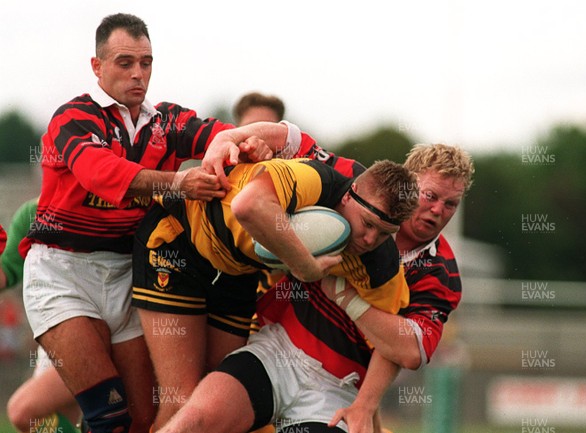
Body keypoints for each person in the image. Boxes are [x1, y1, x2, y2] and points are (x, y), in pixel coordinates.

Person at [20, 13, 299, 433]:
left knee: (142, 419)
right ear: (97, 67)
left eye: (146, 63)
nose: (138, 74)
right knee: (104, 414)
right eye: (124, 62)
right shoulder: (73, 118)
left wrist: (251, 141)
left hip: (127, 274)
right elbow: (102, 172)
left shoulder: (165, 121)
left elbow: (217, 134)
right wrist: (179, 183)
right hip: (64, 273)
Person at [131, 157, 418, 431]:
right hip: (180, 244)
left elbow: (396, 344)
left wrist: (365, 407)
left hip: (236, 275)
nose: (370, 240)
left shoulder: (381, 264)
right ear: (349, 195)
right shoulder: (315, 179)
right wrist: (305, 266)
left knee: (213, 398)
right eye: (368, 224)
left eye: (384, 233)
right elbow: (248, 205)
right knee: (183, 400)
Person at [320, 143, 475, 430]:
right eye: (430, 196)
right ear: (408, 183)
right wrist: (234, 141)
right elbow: (293, 142)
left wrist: (346, 298)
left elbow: (410, 350)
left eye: (451, 204)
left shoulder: (441, 274)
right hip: (271, 334)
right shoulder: (362, 186)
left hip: (339, 386)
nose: (438, 210)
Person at [1, 198, 82, 433]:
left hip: (106, 334)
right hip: (54, 338)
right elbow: (6, 270)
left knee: (24, 411)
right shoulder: (32, 213)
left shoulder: (116, 207)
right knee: (52, 418)